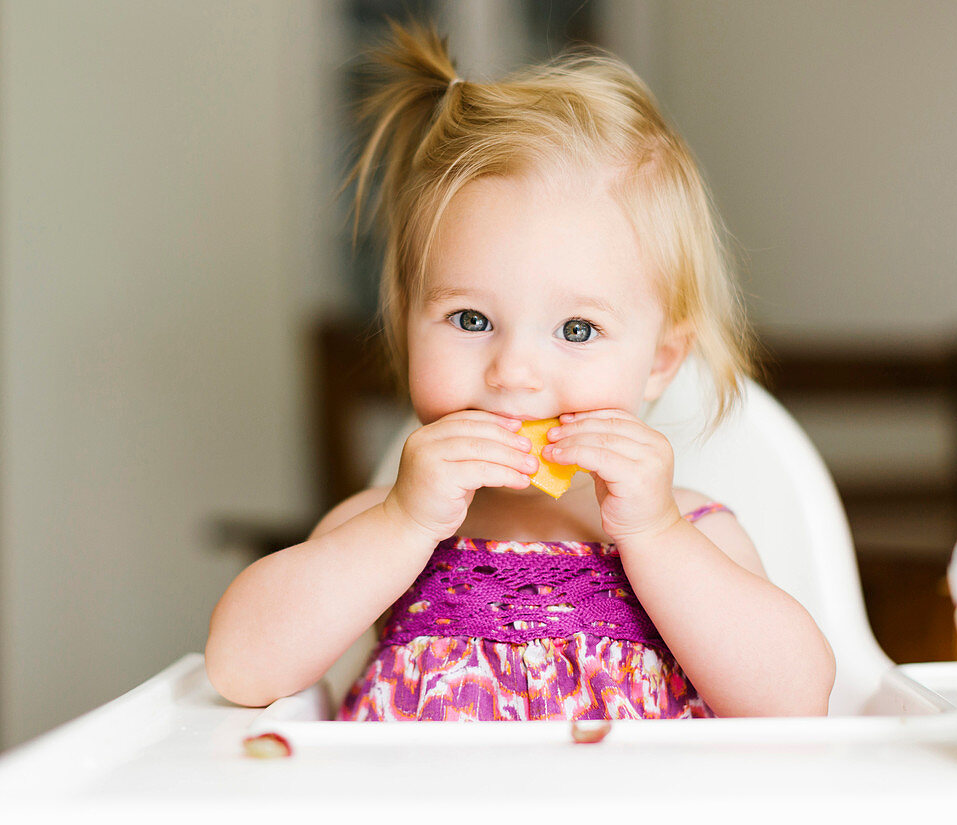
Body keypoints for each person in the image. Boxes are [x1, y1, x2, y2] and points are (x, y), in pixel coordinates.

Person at [204, 22, 835, 720]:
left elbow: (797, 702)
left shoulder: (691, 530)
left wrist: (655, 533)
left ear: (659, 361)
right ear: (408, 322)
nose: (513, 372)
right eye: (471, 319)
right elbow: (238, 668)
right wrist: (403, 519)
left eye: (577, 329)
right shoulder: (383, 524)